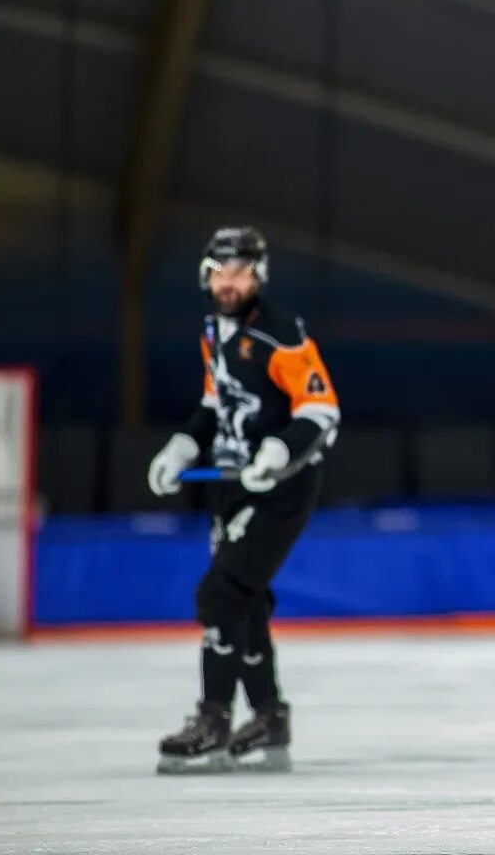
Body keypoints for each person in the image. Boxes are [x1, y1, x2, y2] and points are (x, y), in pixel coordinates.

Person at [146, 226, 340, 774]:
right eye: (222, 272)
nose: (231, 283)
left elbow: (322, 412)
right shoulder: (214, 329)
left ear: (260, 277)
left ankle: (213, 718)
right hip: (231, 483)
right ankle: (269, 716)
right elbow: (217, 400)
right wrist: (183, 445)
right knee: (246, 602)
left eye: (242, 273)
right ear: (206, 275)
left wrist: (278, 453)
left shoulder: (282, 335)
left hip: (280, 487)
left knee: (222, 596)